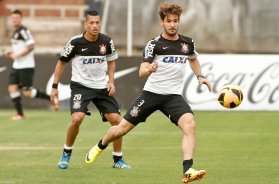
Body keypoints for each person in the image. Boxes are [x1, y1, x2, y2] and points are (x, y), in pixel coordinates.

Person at [84, 2, 212, 183]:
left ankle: (187, 170)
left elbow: (193, 59)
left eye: (175, 21)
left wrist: (200, 76)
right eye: (169, 21)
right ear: (162, 22)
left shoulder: (187, 43)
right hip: (151, 94)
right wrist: (149, 69)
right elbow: (141, 71)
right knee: (121, 129)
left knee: (190, 124)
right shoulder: (154, 44)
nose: (172, 24)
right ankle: (101, 145)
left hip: (173, 97)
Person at [50, 10, 131, 170]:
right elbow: (61, 63)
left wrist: (111, 81)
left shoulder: (107, 42)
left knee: (117, 121)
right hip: (81, 87)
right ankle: (66, 153)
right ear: (85, 24)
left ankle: (118, 160)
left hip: (101, 87)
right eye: (91, 23)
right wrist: (54, 87)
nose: (95, 26)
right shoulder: (75, 43)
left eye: (97, 23)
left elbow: (111, 62)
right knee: (77, 118)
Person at [4, 9, 52, 121]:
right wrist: (11, 53)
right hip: (17, 65)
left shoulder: (23, 31)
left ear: (21, 19)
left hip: (26, 66)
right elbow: (19, 48)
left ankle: (50, 98)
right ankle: (20, 114)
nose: (14, 20)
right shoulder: (15, 32)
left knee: (27, 92)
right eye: (13, 18)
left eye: (16, 18)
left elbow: (31, 46)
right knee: (12, 88)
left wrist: (18, 55)